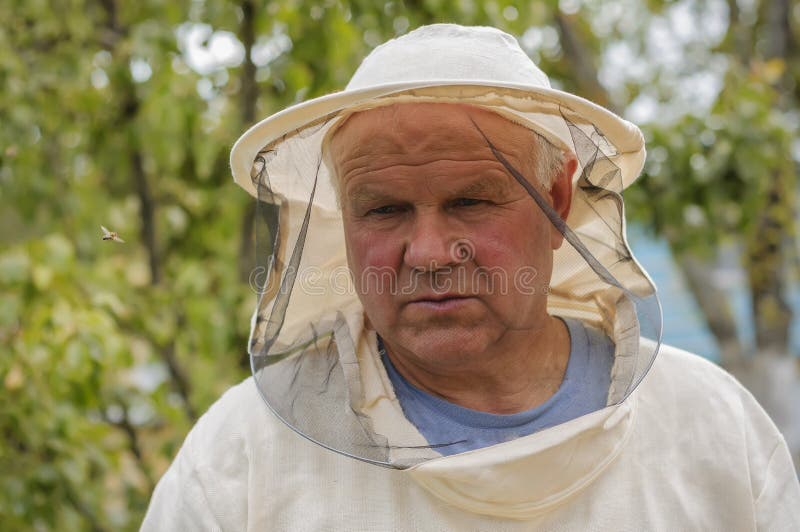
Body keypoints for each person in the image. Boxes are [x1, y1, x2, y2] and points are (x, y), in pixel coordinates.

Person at [142, 24, 800, 530]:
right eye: (384, 209)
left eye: (472, 201)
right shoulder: (242, 454)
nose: (427, 252)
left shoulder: (713, 427)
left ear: (558, 198)